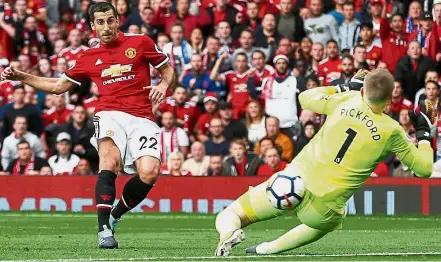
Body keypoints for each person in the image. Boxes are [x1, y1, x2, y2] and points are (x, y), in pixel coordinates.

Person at [1, 2, 175, 249]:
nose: (106, 27)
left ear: (117, 20)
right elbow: (58, 87)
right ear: (93, 27)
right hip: (109, 113)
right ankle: (104, 229)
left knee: (149, 172)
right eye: (100, 23)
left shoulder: (141, 42)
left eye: (110, 20)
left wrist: (163, 85)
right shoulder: (87, 57)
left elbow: (167, 71)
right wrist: (23, 77)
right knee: (110, 161)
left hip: (142, 116)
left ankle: (115, 215)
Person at [214, 69, 434, 256]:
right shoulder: (393, 131)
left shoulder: (348, 99)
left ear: (362, 90)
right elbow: (424, 170)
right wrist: (424, 135)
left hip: (291, 181)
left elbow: (305, 98)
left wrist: (342, 88)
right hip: (322, 210)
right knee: (328, 222)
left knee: (230, 215)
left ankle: (229, 232)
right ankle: (266, 249)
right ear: (389, 101)